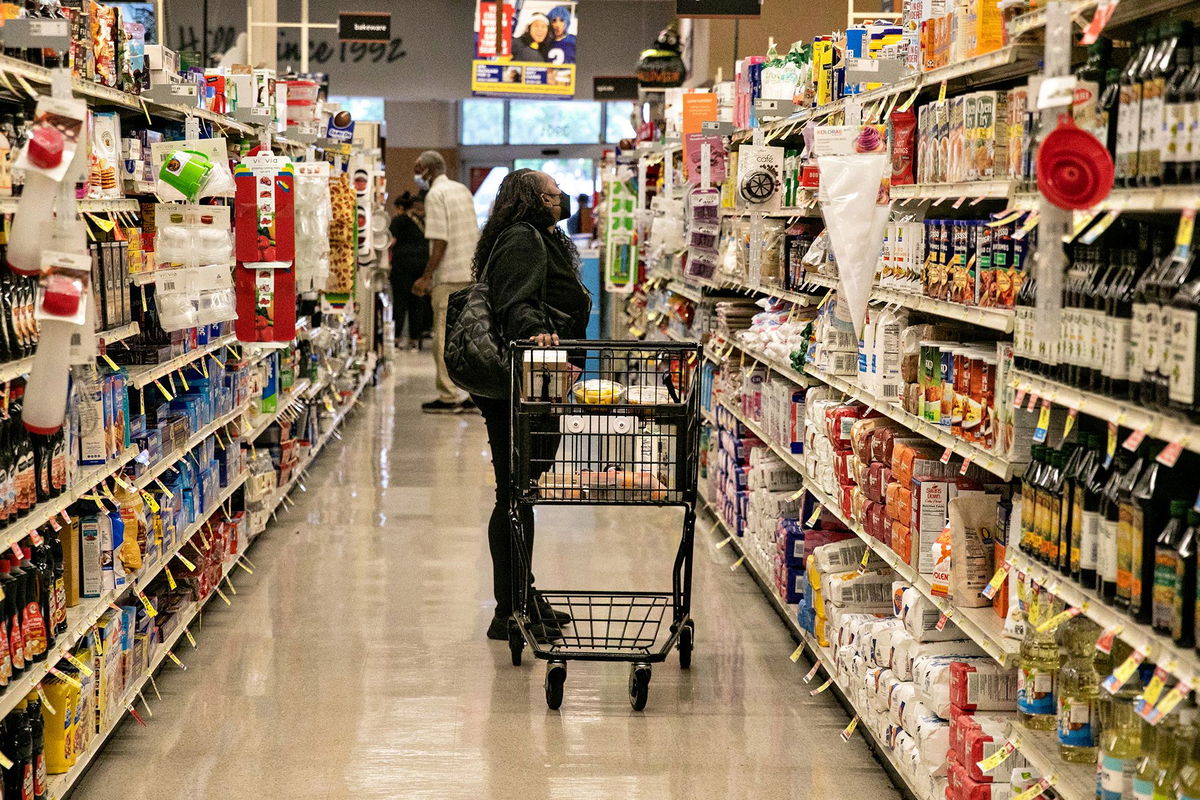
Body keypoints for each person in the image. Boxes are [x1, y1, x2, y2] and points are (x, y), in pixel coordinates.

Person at [470, 169, 591, 641]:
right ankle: (509, 610)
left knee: (521, 491)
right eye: (554, 194)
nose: (562, 199)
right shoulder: (522, 238)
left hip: (532, 378)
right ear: (533, 199)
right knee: (514, 494)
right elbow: (515, 303)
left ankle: (523, 593)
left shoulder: (537, 235)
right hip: (518, 381)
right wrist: (535, 333)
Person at [411, 151, 480, 414]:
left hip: (449, 277)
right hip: (470, 275)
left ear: (427, 169)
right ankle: (474, 393)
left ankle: (449, 396)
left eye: (418, 169)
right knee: (469, 338)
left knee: (443, 338)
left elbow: (440, 241)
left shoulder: (435, 195)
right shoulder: (462, 190)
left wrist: (426, 277)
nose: (417, 175)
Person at [388, 192, 432, 349]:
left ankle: (396, 339)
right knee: (417, 301)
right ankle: (415, 340)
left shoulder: (398, 220)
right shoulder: (422, 222)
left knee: (400, 302)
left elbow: (391, 242)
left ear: (400, 207)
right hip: (421, 265)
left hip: (402, 264)